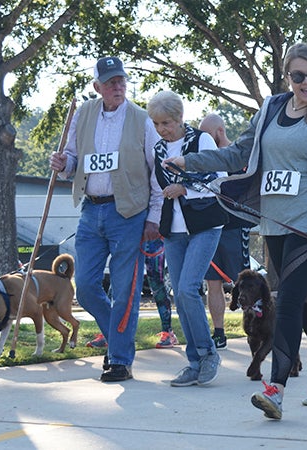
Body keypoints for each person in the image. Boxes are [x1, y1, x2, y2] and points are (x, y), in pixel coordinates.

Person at [163, 43, 307, 420]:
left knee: (285, 302)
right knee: (305, 304)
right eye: (298, 76)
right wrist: (190, 160)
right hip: (274, 223)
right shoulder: (270, 109)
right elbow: (239, 154)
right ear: (288, 76)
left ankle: (276, 389)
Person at [49, 56, 161, 382]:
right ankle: (119, 339)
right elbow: (73, 160)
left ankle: (120, 360)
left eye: (121, 80)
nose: (117, 86)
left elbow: (157, 172)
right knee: (84, 288)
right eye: (110, 81)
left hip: (129, 213)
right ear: (97, 86)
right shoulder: (82, 114)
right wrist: (62, 163)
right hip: (90, 209)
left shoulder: (142, 120)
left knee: (124, 291)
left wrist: (154, 218)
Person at [148, 90, 226, 387]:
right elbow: (160, 186)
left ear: (180, 118)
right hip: (174, 229)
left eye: (166, 122)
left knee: (188, 288)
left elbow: (217, 177)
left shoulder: (200, 140)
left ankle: (208, 354)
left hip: (205, 225)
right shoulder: (158, 149)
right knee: (179, 295)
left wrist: (185, 189)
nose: (161, 129)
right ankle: (193, 362)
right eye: (156, 124)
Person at [198, 113, 254, 350]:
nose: (205, 140)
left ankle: (254, 329)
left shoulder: (238, 158)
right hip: (211, 228)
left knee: (245, 283)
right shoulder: (207, 159)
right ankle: (219, 332)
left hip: (235, 227)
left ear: (219, 132)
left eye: (208, 135)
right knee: (213, 282)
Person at [143, 237, 178, 349]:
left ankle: (168, 332)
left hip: (153, 237)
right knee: (116, 285)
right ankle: (108, 332)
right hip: (131, 234)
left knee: (157, 286)